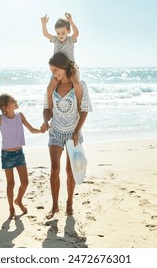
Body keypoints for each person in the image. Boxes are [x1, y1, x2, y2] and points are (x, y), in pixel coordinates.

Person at [41, 52, 92, 219]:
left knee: (70, 170)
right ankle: (55, 205)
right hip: (55, 130)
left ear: (64, 67)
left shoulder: (79, 85)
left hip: (73, 132)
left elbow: (84, 110)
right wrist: (45, 121)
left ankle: (69, 202)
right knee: (54, 169)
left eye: (56, 70)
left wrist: (76, 131)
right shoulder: (52, 87)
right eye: (52, 71)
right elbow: (46, 108)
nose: (54, 74)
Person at [41, 12, 82, 113]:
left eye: (63, 33)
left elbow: (77, 33)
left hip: (70, 67)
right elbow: (45, 34)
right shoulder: (55, 40)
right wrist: (43, 24)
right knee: (49, 88)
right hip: (58, 68)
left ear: (68, 31)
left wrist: (71, 21)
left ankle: (79, 106)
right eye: (58, 33)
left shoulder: (70, 40)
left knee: (76, 84)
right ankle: (51, 110)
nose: (60, 35)